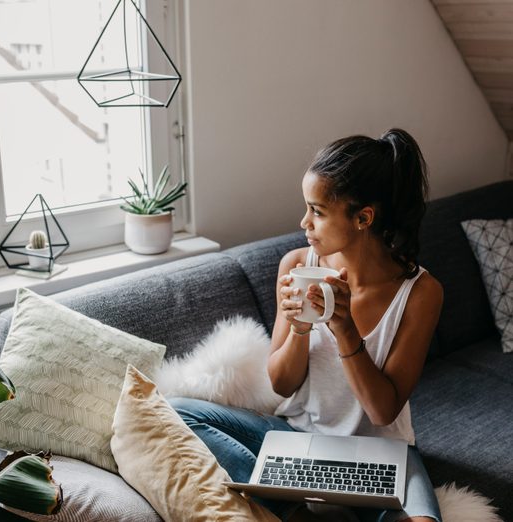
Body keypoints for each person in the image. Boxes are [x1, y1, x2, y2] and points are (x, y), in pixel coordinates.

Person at [170, 128, 443, 522]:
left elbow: (383, 411)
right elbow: (281, 385)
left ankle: (306, 507)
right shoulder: (298, 267)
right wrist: (299, 329)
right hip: (299, 441)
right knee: (180, 410)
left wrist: (344, 329)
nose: (304, 222)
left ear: (363, 217)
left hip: (381, 453)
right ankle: (292, 503)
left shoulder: (420, 293)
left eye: (317, 210)